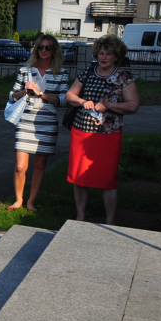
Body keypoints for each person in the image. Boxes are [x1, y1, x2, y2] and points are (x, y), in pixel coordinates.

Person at [65, 35, 139, 224]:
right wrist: (82, 101)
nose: (104, 57)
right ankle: (80, 216)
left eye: (109, 54)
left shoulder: (123, 76)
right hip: (82, 132)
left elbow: (133, 105)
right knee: (80, 177)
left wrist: (110, 105)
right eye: (101, 53)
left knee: (108, 178)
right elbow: (70, 95)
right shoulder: (87, 72)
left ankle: (110, 221)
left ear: (117, 56)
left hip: (109, 135)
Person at [7, 34, 69, 212]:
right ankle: (18, 200)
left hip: (47, 120)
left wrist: (41, 94)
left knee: (40, 165)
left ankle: (31, 202)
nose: (43, 50)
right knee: (20, 166)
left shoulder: (61, 73)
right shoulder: (25, 70)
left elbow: (64, 100)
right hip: (26, 118)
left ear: (54, 50)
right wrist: (25, 92)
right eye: (40, 47)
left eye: (48, 47)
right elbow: (11, 95)